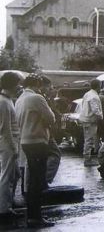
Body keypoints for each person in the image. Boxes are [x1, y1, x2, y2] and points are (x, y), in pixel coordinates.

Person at [15, 74, 55, 228]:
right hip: (37, 141)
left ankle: (33, 214)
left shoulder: (20, 99)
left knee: (33, 179)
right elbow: (51, 118)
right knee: (37, 181)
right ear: (37, 85)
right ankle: (35, 217)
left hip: (25, 140)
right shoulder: (36, 98)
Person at [0, 72, 22, 224]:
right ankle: (3, 208)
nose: (19, 86)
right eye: (17, 83)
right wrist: (14, 148)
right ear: (11, 85)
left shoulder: (7, 100)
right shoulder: (4, 102)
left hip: (11, 141)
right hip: (9, 142)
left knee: (15, 175)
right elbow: (6, 128)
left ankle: (9, 202)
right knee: (7, 176)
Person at [79, 79, 103, 166]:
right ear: (98, 86)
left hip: (85, 119)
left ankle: (87, 158)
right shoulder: (94, 96)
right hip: (90, 121)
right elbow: (95, 109)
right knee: (90, 140)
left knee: (87, 139)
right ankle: (87, 159)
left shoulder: (87, 94)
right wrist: (101, 116)